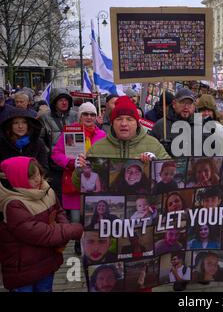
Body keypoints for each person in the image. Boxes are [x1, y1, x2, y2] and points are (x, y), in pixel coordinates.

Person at [0, 157, 83, 291]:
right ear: (17, 179)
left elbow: (59, 211)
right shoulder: (14, 204)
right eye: (31, 177)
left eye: (38, 174)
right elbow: (40, 233)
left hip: (46, 263)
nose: (38, 179)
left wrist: (63, 228)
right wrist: (71, 230)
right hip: (23, 270)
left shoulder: (46, 190)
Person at [73, 96, 169, 187]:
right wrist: (79, 171)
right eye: (119, 119)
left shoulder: (154, 145)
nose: (124, 124)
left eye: (129, 119)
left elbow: (170, 178)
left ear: (137, 123)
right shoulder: (96, 149)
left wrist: (157, 164)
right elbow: (79, 186)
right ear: (112, 123)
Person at [52, 102, 106, 254]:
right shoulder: (69, 132)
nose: (89, 117)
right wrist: (70, 162)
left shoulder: (101, 135)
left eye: (92, 114)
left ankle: (90, 242)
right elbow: (56, 154)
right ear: (79, 116)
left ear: (96, 117)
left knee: (92, 217)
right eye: (85, 114)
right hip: (74, 182)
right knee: (76, 219)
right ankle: (77, 242)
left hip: (93, 183)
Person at [39, 89, 78, 202]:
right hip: (54, 166)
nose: (64, 102)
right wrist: (49, 153)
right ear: (54, 102)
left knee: (73, 194)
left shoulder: (76, 116)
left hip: (73, 164)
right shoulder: (45, 118)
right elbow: (40, 140)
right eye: (61, 100)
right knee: (57, 195)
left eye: (66, 100)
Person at [150, 88, 197, 157]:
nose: (186, 107)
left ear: (194, 106)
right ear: (174, 104)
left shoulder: (200, 127)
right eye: (182, 102)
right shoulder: (161, 126)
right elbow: (150, 152)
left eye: (189, 103)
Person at [0, 106, 48, 170]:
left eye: (24, 122)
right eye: (15, 123)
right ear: (10, 125)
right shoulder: (2, 143)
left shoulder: (38, 143)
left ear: (29, 124)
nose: (20, 126)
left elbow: (44, 168)